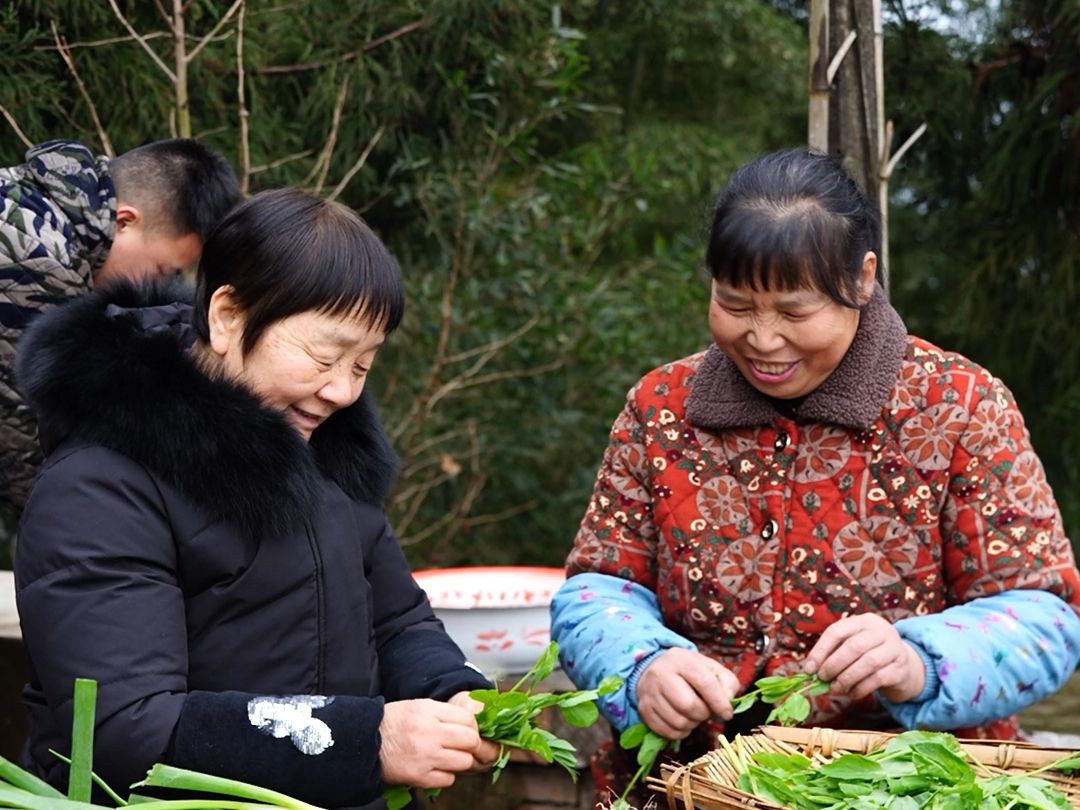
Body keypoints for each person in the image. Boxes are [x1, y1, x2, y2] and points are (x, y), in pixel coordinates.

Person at [550, 148, 1080, 803]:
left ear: (862, 279)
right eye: (734, 303)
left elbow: (1047, 617)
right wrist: (641, 667)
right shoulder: (661, 407)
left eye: (795, 311)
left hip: (907, 787)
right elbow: (597, 586)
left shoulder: (960, 406)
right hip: (686, 784)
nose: (762, 339)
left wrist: (919, 659)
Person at [13, 188, 497, 808]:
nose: (343, 392)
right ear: (227, 317)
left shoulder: (326, 458)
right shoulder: (99, 486)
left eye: (364, 366)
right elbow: (128, 728)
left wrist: (453, 692)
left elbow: (397, 619)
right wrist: (365, 742)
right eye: (325, 356)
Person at [1, 137, 241, 519]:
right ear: (123, 221)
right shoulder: (40, 258)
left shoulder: (32, 201)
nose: (161, 283)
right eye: (164, 269)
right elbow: (26, 438)